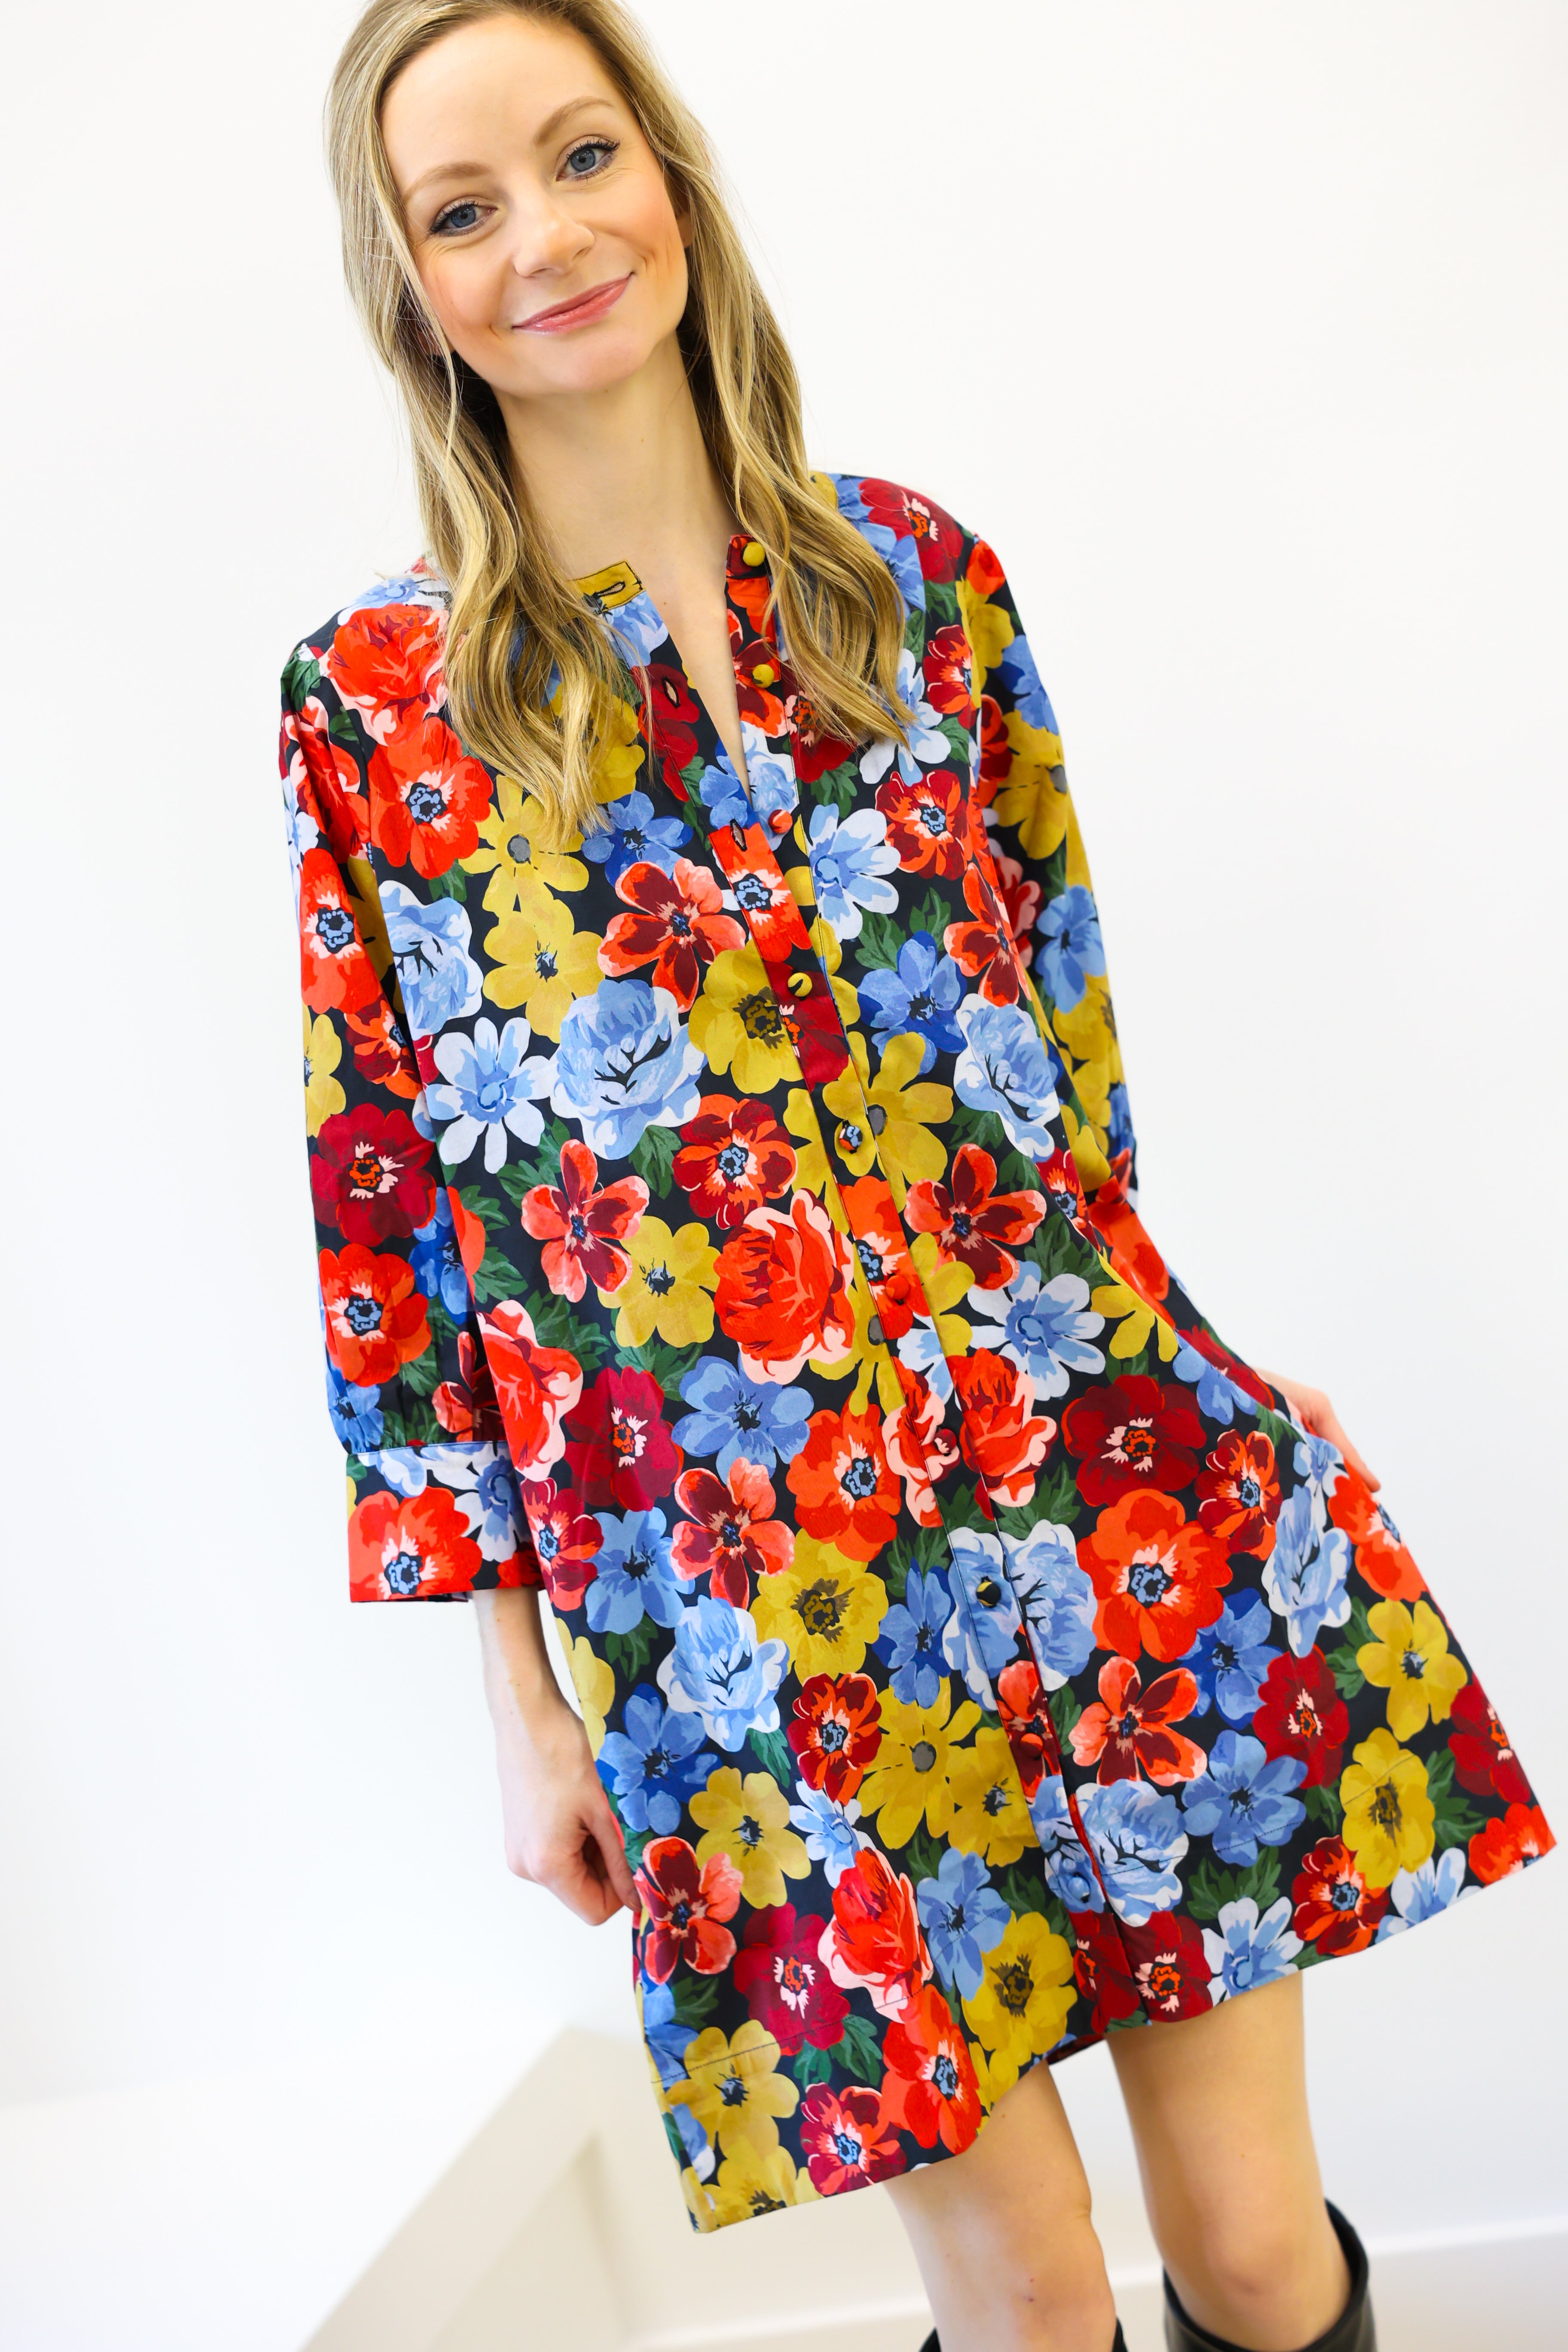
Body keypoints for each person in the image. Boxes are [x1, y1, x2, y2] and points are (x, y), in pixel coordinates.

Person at [279, 5, 1555, 2347]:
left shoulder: (919, 588)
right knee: (1030, 2289)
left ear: (668, 168)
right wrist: (523, 1693)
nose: (546, 234)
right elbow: (395, 1220)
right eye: (464, 208)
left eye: (581, 154)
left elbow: (1064, 1081)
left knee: (1262, 2257)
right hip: (747, 1625)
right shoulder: (377, 711)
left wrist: (1219, 1374)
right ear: (407, 282)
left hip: (1103, 1495)